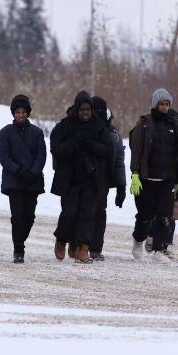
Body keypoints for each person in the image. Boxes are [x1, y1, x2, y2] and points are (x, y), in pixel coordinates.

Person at [128, 88, 178, 262]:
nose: (164, 107)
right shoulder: (144, 123)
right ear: (155, 104)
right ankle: (138, 240)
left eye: (167, 104)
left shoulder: (174, 125)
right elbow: (136, 151)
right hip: (147, 179)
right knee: (144, 216)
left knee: (165, 216)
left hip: (167, 179)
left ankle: (159, 250)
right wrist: (135, 174)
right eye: (161, 104)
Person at [49, 91, 115, 264]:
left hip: (92, 180)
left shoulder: (100, 127)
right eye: (82, 110)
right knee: (69, 213)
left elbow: (108, 150)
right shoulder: (64, 126)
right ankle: (61, 239)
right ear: (77, 109)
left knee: (88, 215)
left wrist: (90, 144)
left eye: (88, 110)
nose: (85, 113)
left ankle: (82, 248)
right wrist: (76, 142)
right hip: (70, 180)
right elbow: (56, 150)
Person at [0, 94, 47, 263]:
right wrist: (17, 170)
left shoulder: (37, 132)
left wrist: (33, 171)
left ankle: (20, 240)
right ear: (13, 113)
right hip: (14, 181)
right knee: (17, 216)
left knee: (29, 217)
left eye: (23, 112)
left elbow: (41, 155)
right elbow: (3, 156)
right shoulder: (5, 133)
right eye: (18, 112)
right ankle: (18, 248)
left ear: (28, 113)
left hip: (32, 181)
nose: (20, 115)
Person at [89, 96, 127, 262]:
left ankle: (95, 248)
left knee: (98, 213)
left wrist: (121, 187)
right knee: (84, 213)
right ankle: (80, 245)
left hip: (102, 180)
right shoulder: (81, 128)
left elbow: (119, 161)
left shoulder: (113, 133)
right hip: (81, 178)